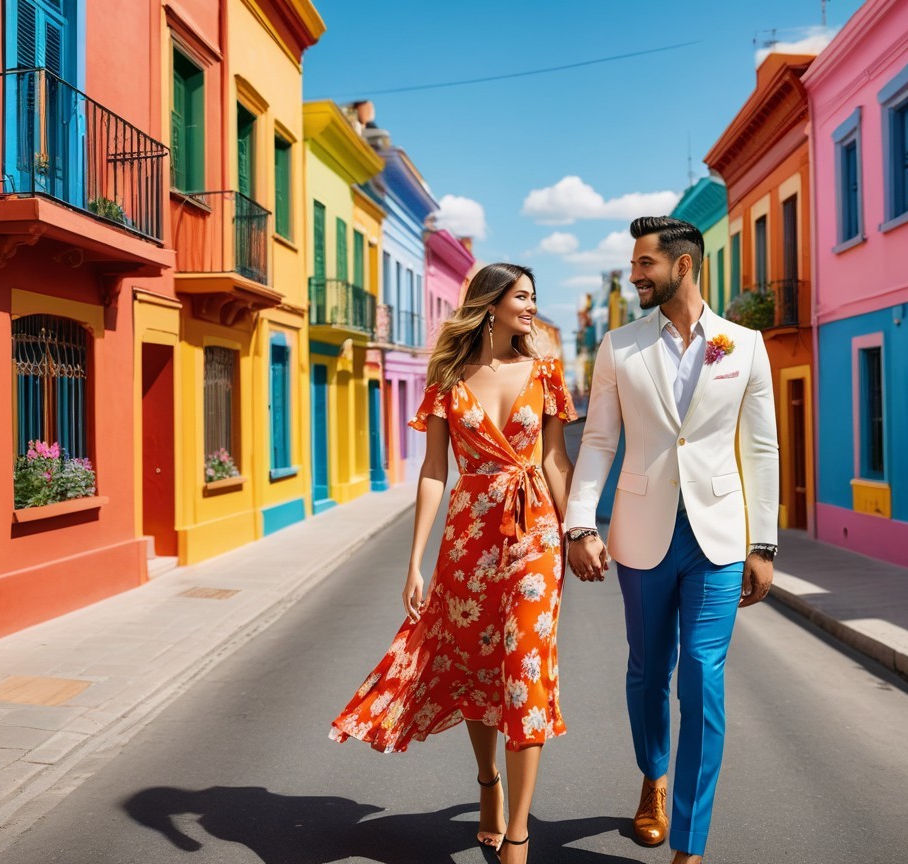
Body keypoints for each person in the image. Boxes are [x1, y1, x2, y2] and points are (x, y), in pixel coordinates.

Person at [330, 263, 576, 864]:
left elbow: (555, 461)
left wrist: (582, 532)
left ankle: (518, 832)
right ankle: (488, 784)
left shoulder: (545, 371)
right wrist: (414, 561)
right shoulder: (446, 378)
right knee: (476, 667)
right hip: (468, 542)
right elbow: (435, 471)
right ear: (489, 304)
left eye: (534, 297)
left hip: (535, 536)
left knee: (523, 672)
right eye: (522, 297)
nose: (532, 307)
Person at [563, 216, 779, 864]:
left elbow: (761, 448)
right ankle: (654, 776)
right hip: (640, 534)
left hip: (716, 538)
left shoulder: (745, 345)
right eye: (632, 266)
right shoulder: (618, 347)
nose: (634, 276)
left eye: (644, 265)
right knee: (648, 670)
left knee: (703, 679)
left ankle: (690, 843)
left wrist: (763, 545)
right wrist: (580, 523)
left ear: (683, 266)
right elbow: (599, 440)